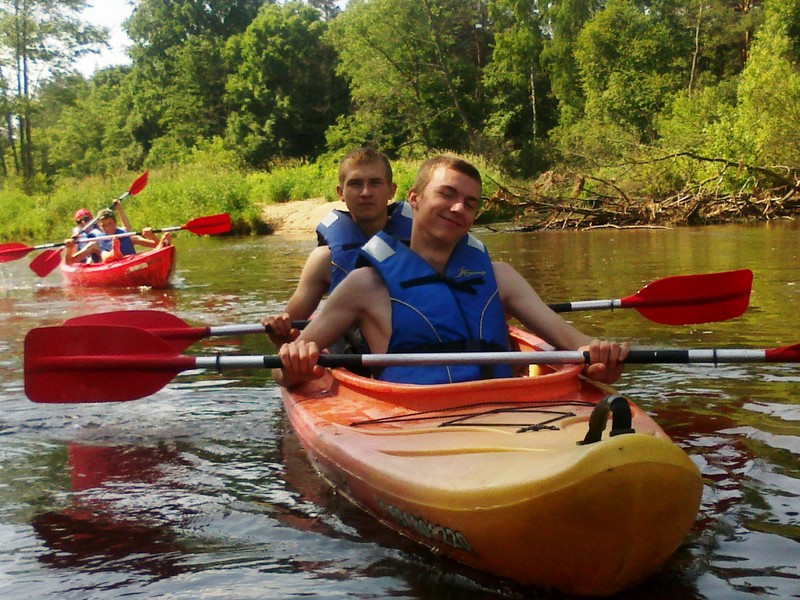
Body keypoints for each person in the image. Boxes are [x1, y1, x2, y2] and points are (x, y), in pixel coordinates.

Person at [274, 154, 629, 389]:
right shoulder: (364, 284)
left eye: (470, 203)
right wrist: (293, 363)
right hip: (410, 420)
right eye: (447, 194)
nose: (458, 208)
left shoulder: (501, 278)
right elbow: (278, 371)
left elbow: (575, 344)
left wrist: (602, 359)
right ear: (414, 199)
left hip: (505, 408)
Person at [262, 147, 412, 345]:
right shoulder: (324, 259)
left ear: (391, 190)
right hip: (349, 355)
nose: (366, 192)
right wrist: (277, 329)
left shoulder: (419, 246)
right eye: (355, 184)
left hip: (408, 348)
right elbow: (288, 332)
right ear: (341, 193)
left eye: (375, 183)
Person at [91, 205, 170, 263]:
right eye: (103, 225)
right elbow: (84, 254)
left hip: (129, 261)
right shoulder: (97, 239)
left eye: (110, 224)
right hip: (109, 262)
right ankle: (114, 253)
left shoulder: (126, 235)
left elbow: (155, 244)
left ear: (115, 223)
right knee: (103, 253)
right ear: (99, 226)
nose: (107, 228)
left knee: (134, 238)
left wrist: (151, 236)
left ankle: (163, 243)